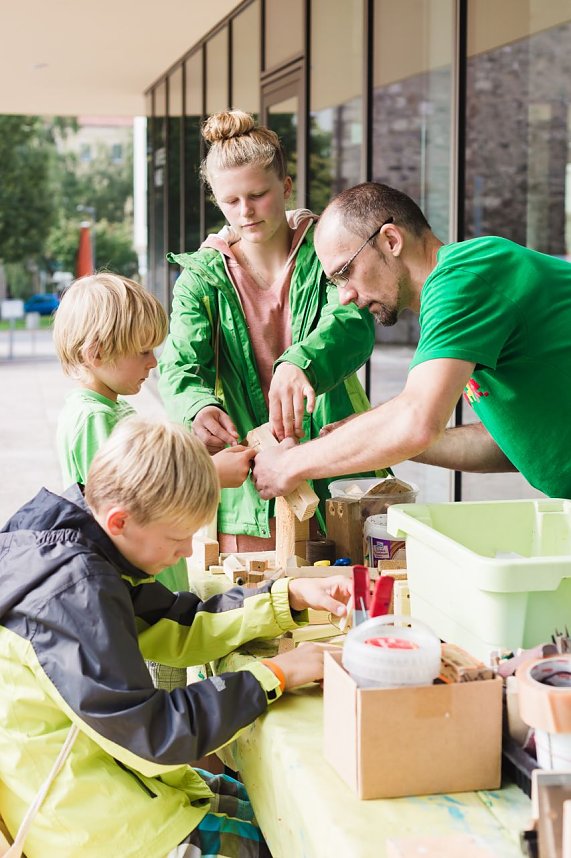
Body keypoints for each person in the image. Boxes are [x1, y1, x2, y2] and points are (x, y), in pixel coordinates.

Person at [0, 417, 350, 858]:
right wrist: (274, 674)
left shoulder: (75, 548)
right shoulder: (73, 595)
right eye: (177, 538)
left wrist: (286, 599)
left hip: (109, 784)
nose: (186, 551)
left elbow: (178, 624)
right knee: (284, 839)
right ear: (120, 520)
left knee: (267, 808)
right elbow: (156, 735)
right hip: (96, 830)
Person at [251, 181, 571, 500]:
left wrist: (288, 465)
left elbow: (417, 419)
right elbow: (517, 443)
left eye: (346, 271)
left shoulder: (466, 277)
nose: (345, 295)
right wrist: (377, 436)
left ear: (391, 240)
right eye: (336, 282)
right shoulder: (463, 292)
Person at [158, 110, 386, 553]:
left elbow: (353, 324)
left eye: (258, 195)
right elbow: (181, 365)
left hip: (336, 463)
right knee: (257, 605)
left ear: (285, 188)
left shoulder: (328, 253)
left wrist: (303, 362)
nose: (245, 211)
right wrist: (197, 408)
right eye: (230, 201)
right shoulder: (199, 279)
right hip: (248, 486)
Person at [53, 273, 255, 689]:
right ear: (96, 352)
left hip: (155, 596)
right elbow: (136, 497)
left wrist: (194, 457)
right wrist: (210, 476)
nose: (154, 362)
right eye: (143, 350)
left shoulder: (100, 408)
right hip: (146, 614)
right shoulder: (95, 418)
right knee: (166, 705)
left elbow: (149, 472)